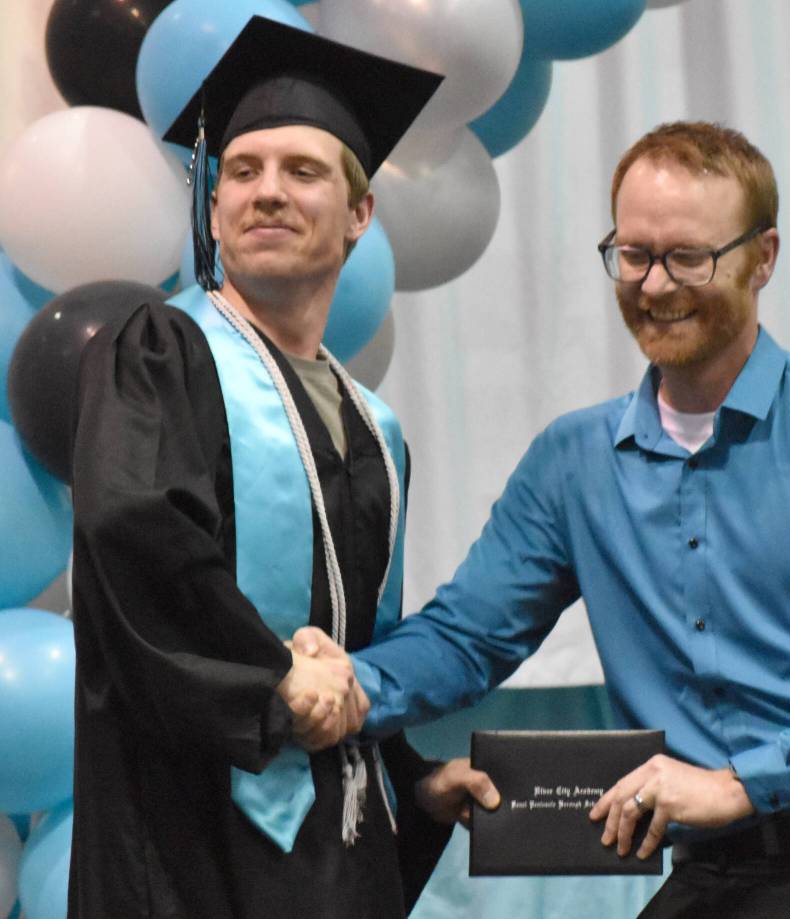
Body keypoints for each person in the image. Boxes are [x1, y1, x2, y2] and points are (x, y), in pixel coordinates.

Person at [335, 121, 790, 917]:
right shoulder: (571, 461)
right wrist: (343, 686)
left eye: (689, 256)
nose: (654, 285)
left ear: (764, 257)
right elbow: (466, 636)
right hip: (717, 876)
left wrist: (739, 783)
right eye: (633, 254)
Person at [68, 16, 493, 919]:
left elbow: (349, 635)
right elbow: (136, 544)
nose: (266, 193)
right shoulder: (159, 356)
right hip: (189, 845)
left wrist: (404, 776)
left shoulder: (373, 427)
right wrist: (270, 688)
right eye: (242, 172)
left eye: (302, 172)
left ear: (359, 213)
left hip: (331, 856)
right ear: (213, 207)